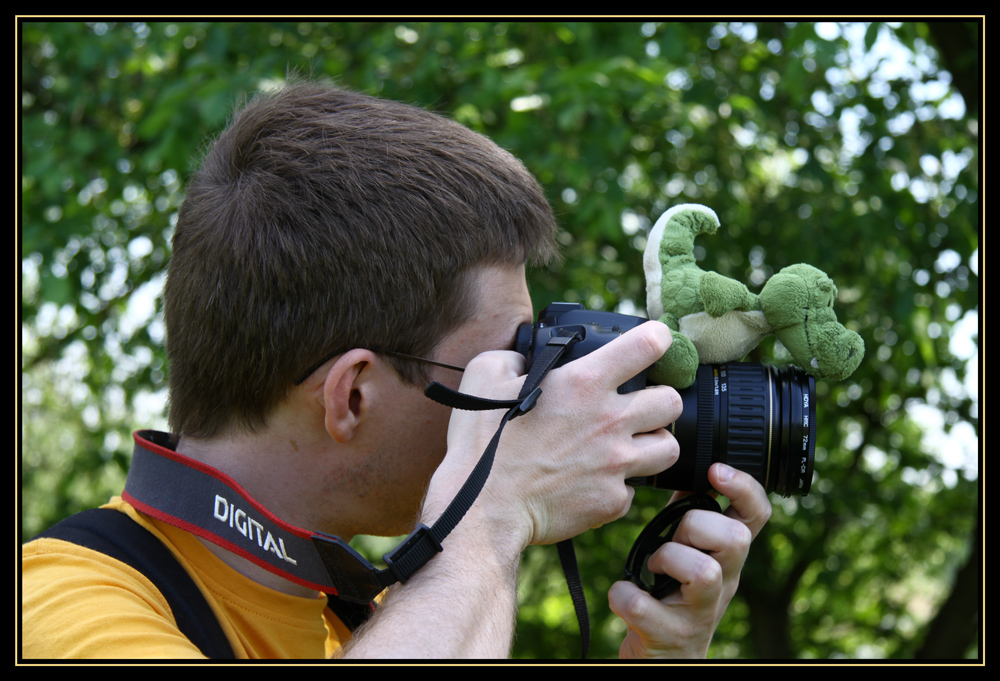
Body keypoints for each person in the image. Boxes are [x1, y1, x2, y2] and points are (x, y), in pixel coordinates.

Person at [21, 81, 771, 659]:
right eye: (502, 365)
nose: (528, 397)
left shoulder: (376, 619)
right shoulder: (61, 608)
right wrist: (493, 514)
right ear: (350, 395)